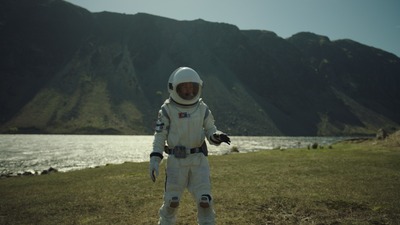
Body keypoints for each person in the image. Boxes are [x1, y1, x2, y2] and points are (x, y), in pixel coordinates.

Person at [149, 67, 231, 225]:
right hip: (176, 162)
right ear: (174, 88)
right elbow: (160, 136)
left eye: (191, 86)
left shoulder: (202, 108)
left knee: (205, 202)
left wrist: (217, 136)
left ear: (197, 87)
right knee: (171, 203)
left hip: (198, 161)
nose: (188, 90)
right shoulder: (167, 110)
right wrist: (155, 158)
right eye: (184, 86)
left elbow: (210, 130)